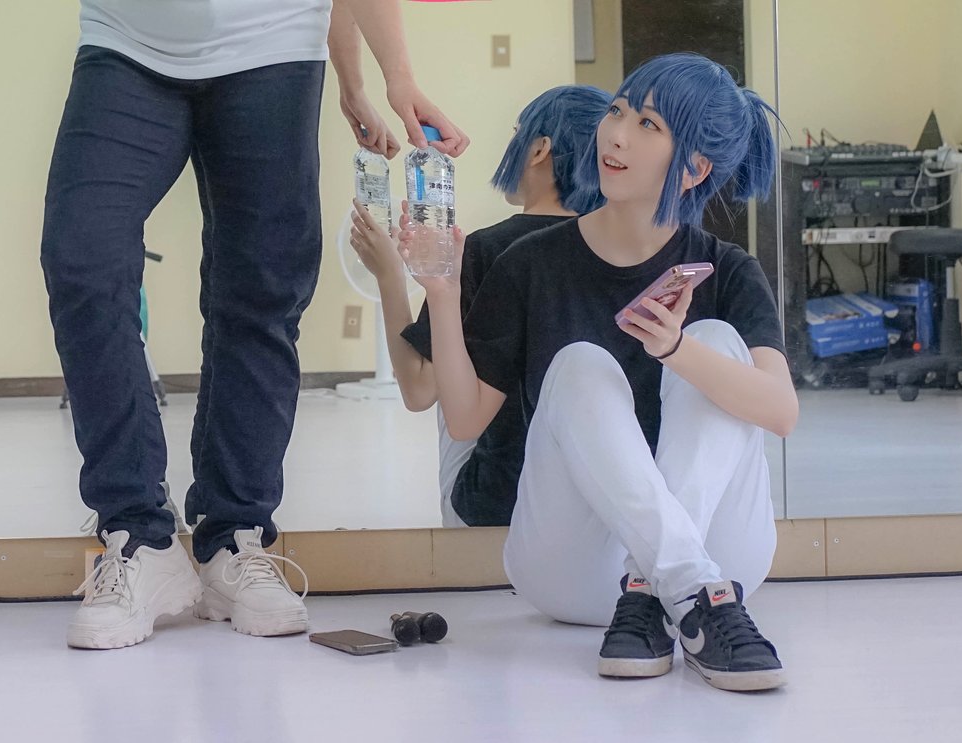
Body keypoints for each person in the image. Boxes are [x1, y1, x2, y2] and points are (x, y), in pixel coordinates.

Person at [42, 0, 468, 649]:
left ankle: (233, 537)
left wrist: (383, 78)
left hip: (274, 48)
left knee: (262, 285)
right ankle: (137, 536)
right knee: (81, 256)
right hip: (126, 42)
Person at [408, 52, 796, 691]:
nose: (615, 134)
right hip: (579, 573)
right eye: (617, 111)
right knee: (580, 364)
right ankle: (687, 587)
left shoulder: (728, 270)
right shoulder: (530, 263)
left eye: (647, 125)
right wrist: (444, 296)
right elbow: (467, 418)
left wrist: (677, 350)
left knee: (716, 341)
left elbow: (780, 412)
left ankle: (663, 583)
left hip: (719, 554)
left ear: (694, 168)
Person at [348, 85, 611, 527]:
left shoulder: (484, 251)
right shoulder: (613, 250)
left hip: (494, 501)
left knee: (453, 388)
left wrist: (389, 275)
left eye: (518, 133)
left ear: (539, 150)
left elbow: (418, 390)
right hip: (595, 507)